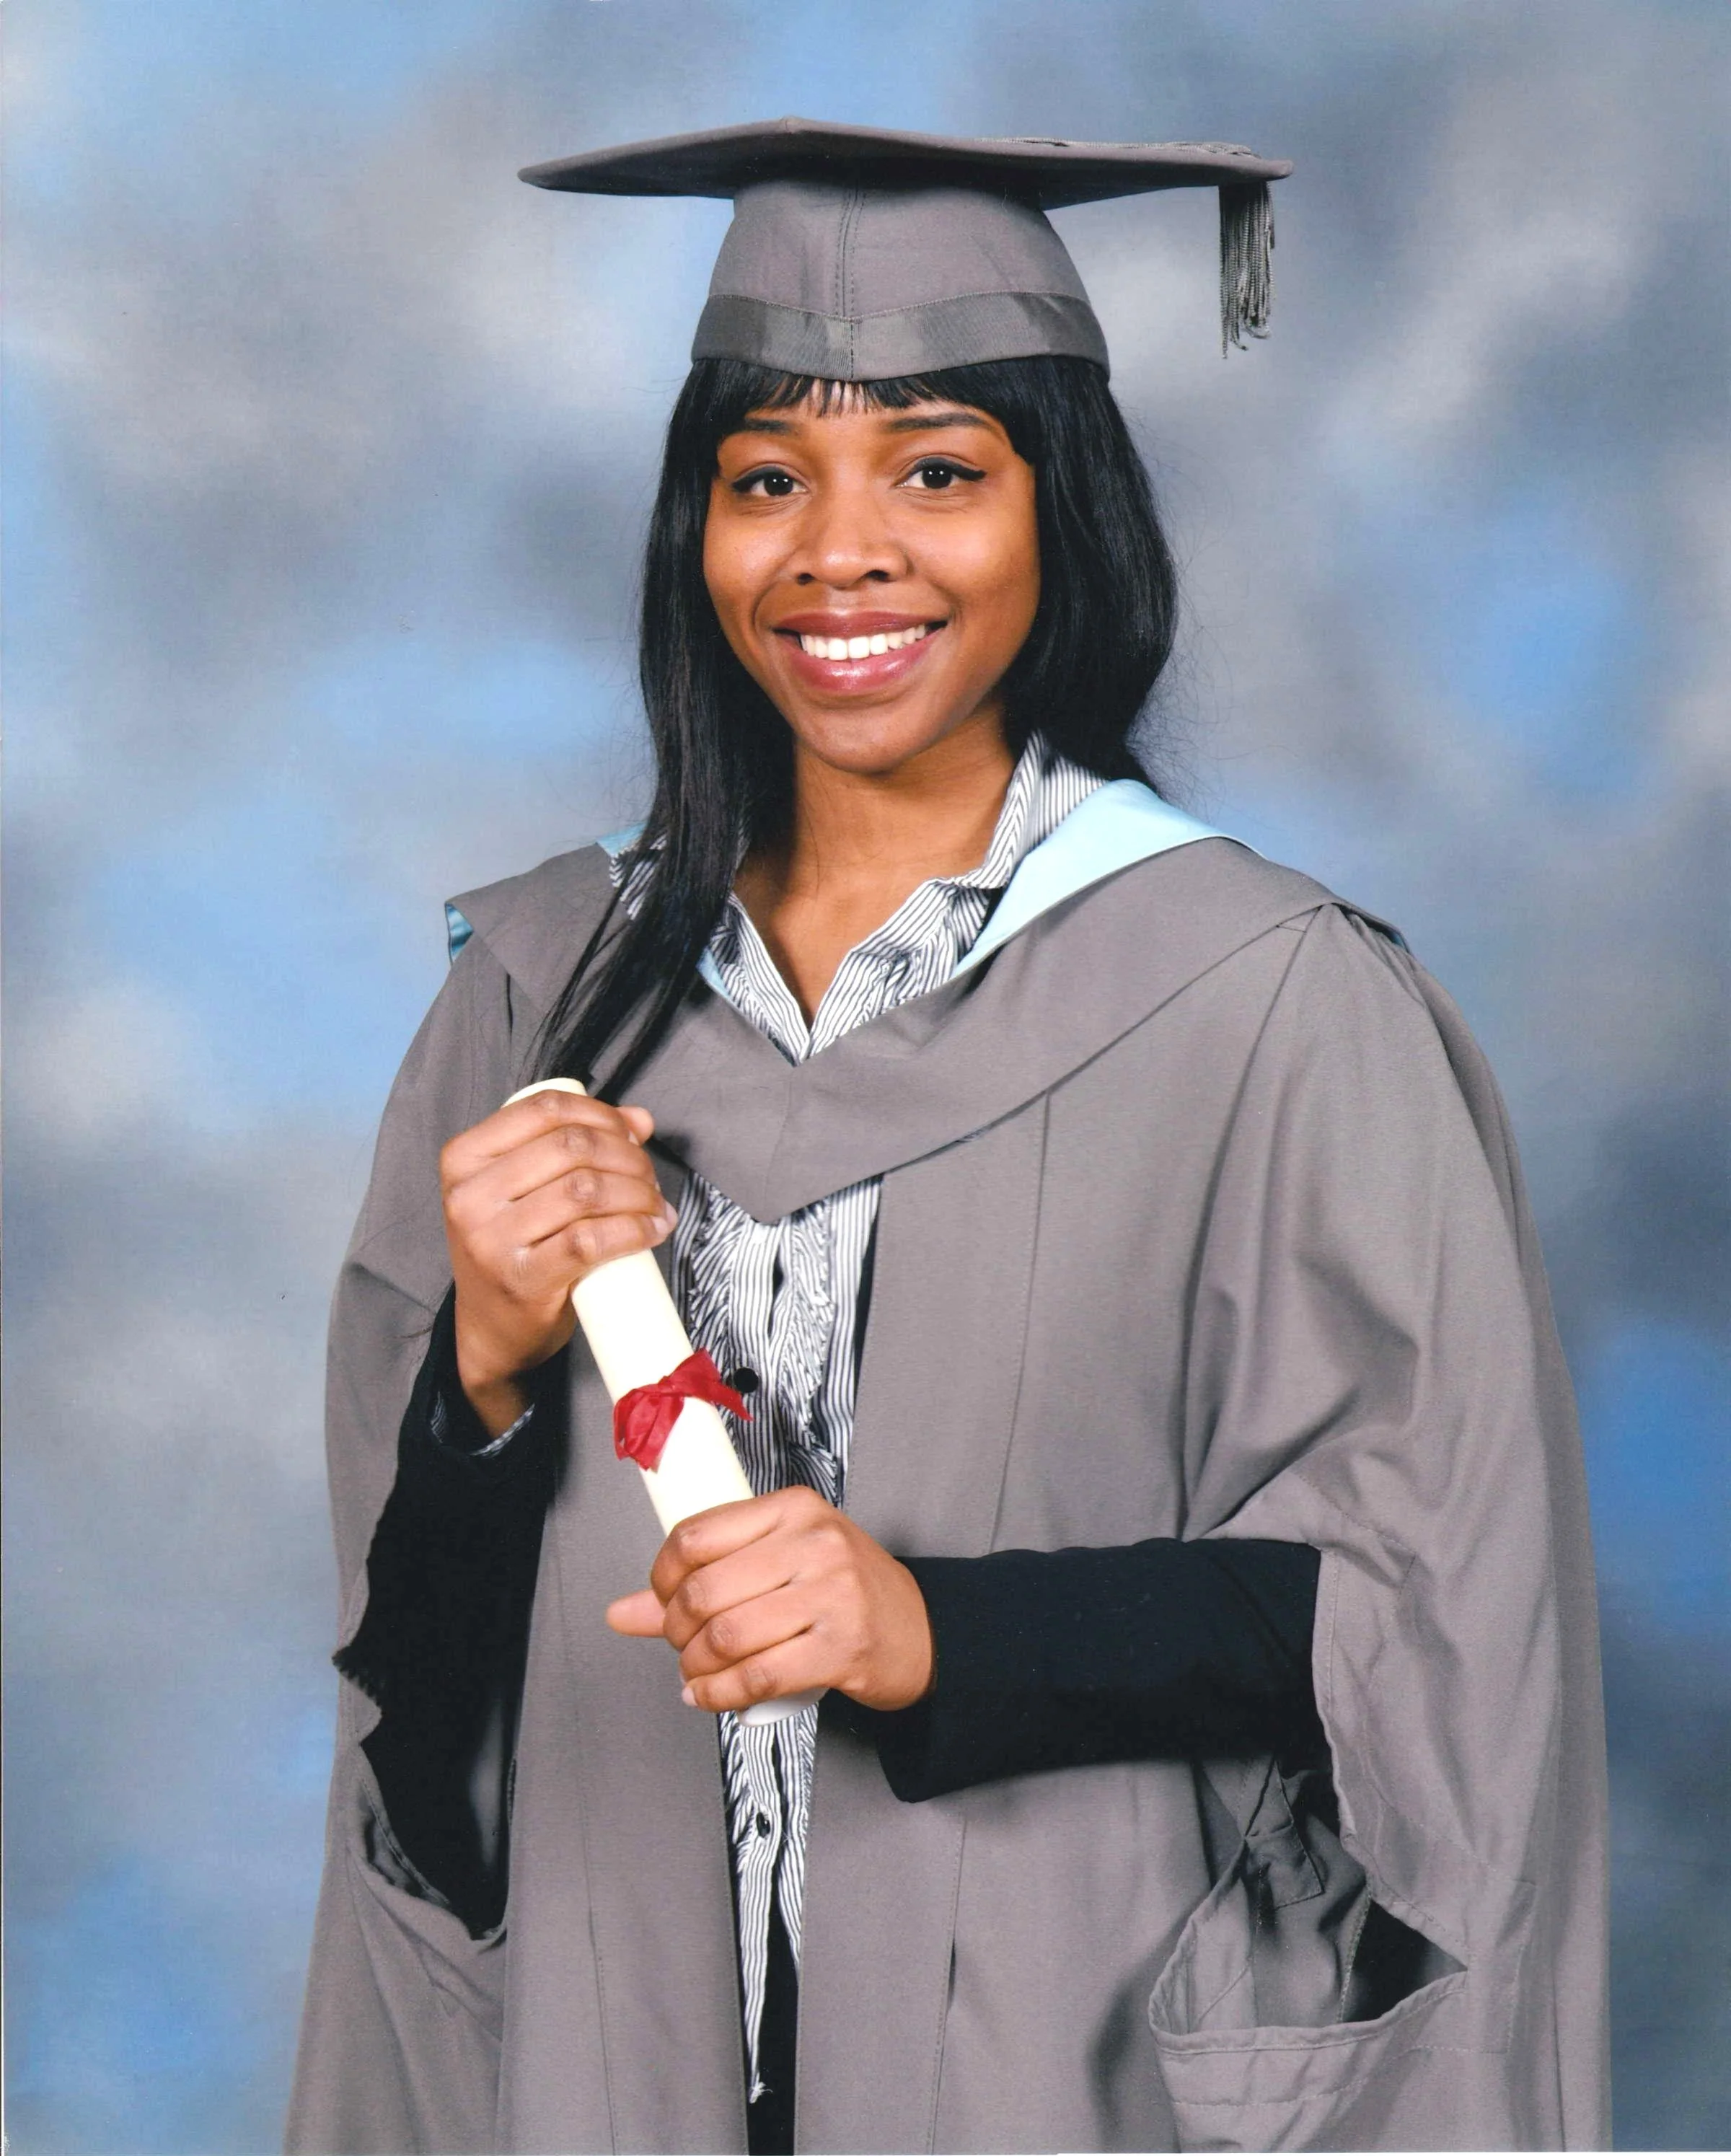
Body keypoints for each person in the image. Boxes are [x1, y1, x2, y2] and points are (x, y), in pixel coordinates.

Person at [288, 120, 1609, 2155]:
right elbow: (412, 1685)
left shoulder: (1263, 999)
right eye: (766, 478)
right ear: (697, 528)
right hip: (615, 2043)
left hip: (1069, 2055)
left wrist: (934, 1632)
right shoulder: (543, 999)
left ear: (1063, 510)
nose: (839, 552)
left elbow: (1426, 1617)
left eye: (936, 470)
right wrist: (478, 1368)